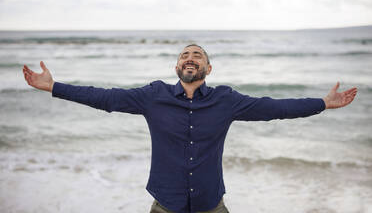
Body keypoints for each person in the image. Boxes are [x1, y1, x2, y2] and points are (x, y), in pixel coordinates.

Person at [22, 44, 357, 213]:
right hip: (165, 204)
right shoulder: (152, 96)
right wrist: (55, 87)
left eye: (197, 55)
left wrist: (322, 103)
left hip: (212, 204)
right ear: (177, 66)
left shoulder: (227, 100)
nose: (190, 57)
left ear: (208, 67)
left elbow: (275, 108)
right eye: (185, 55)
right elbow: (106, 98)